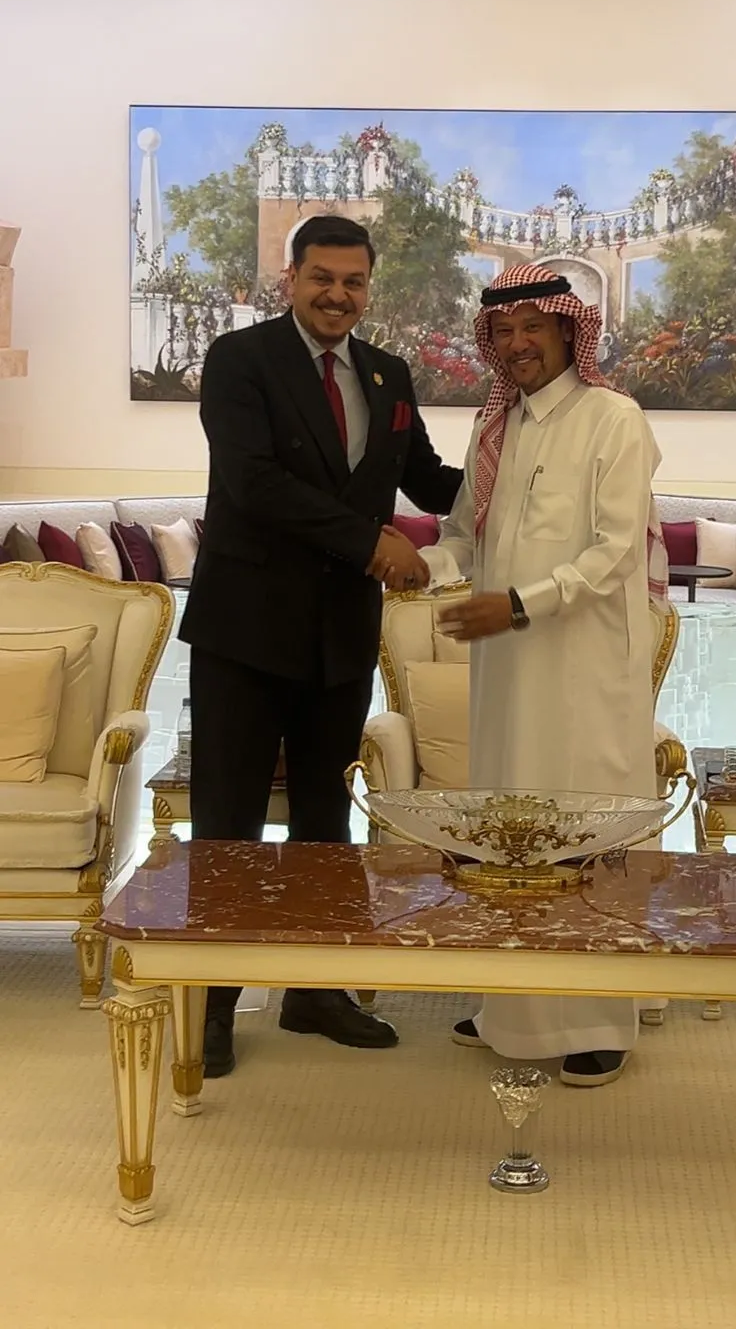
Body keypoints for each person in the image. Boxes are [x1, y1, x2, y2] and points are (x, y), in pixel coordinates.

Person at [180, 214, 463, 1077]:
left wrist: (531, 469)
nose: (338, 295)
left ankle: (314, 990)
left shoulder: (387, 374)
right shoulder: (240, 359)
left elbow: (428, 479)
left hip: (339, 636)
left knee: (324, 821)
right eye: (322, 278)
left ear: (369, 286)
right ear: (292, 279)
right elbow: (253, 482)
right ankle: (213, 1005)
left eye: (354, 281)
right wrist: (370, 542)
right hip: (245, 632)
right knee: (227, 824)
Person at [422, 262, 668, 1087]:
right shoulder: (497, 426)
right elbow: (465, 537)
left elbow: (613, 553)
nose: (518, 342)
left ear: (569, 329)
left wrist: (520, 604)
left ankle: (599, 1018)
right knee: (509, 830)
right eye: (504, 330)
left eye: (534, 326)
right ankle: (512, 1004)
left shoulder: (613, 419)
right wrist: (416, 567)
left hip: (583, 672)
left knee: (582, 830)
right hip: (506, 669)